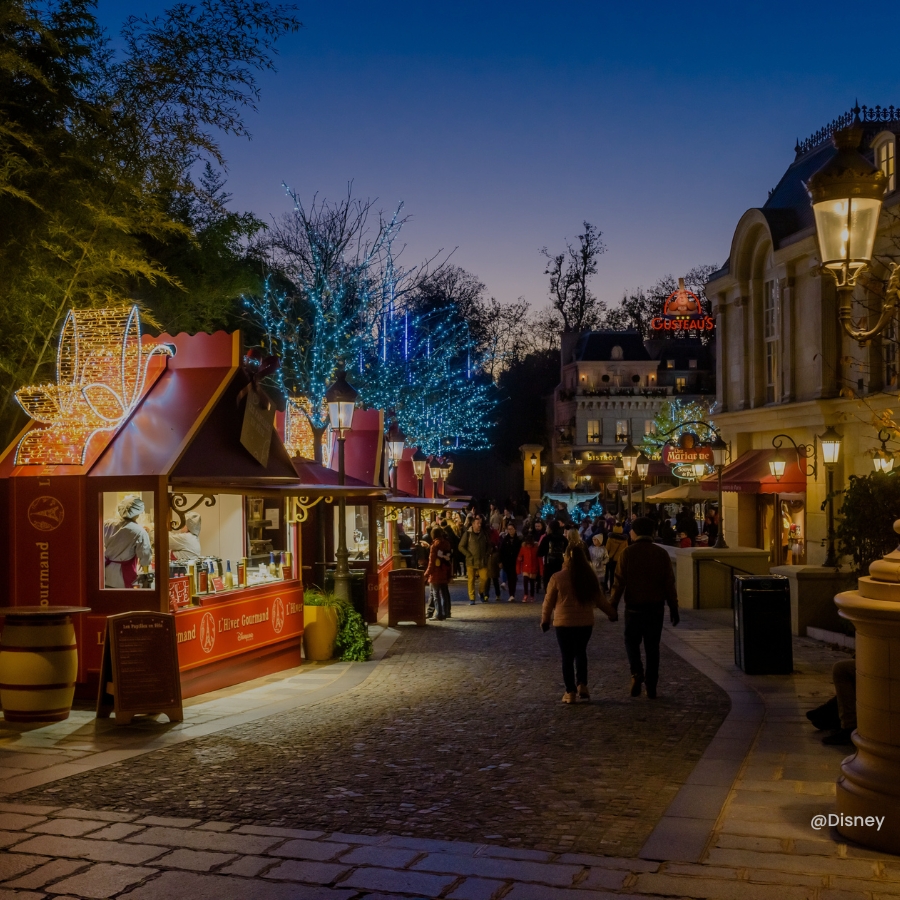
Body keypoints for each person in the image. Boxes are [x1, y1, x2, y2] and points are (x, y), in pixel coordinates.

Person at [541, 536, 617, 703]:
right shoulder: (589, 577)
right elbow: (600, 600)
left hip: (564, 623)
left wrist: (545, 620)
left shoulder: (557, 577)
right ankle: (582, 684)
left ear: (566, 557)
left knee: (567, 656)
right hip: (584, 623)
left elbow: (548, 601)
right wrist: (612, 613)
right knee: (581, 652)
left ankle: (570, 692)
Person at [611, 516, 679, 699]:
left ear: (634, 532)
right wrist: (673, 607)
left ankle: (636, 672)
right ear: (652, 533)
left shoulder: (627, 553)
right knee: (652, 647)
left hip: (633, 608)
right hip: (655, 608)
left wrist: (612, 606)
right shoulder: (661, 554)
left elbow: (619, 583)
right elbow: (669, 584)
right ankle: (651, 685)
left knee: (631, 642)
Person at [103, 495, 153, 588]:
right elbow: (145, 555)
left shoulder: (107, 524)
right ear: (139, 512)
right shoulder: (139, 531)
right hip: (123, 575)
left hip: (105, 571)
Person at [459, 515, 491, 604]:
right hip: (471, 561)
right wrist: (468, 555)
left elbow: (489, 545)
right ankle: (472, 598)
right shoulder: (468, 534)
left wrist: (487, 554)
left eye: (480, 523)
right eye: (477, 523)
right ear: (473, 524)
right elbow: (461, 546)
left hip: (482, 561)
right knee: (471, 580)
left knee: (485, 578)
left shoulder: (484, 534)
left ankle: (481, 592)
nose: (479, 525)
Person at [424, 526, 453, 620]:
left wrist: (426, 574)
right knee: (444, 593)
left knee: (436, 594)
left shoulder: (434, 545)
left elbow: (431, 563)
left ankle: (439, 614)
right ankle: (446, 612)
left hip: (436, 573)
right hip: (444, 571)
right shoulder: (446, 543)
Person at [538, 520, 567, 585]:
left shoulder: (546, 538)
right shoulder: (563, 539)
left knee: (549, 586)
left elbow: (540, 553)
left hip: (549, 566)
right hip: (560, 565)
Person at [499, 522, 522, 602]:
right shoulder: (505, 539)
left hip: (515, 561)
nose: (510, 531)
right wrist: (501, 561)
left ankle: (512, 594)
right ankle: (511, 594)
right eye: (509, 529)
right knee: (509, 577)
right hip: (507, 561)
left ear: (515, 529)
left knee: (513, 578)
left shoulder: (518, 540)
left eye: (511, 529)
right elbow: (501, 551)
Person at [604, 524, 628, 592]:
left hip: (611, 559)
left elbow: (607, 549)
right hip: (619, 559)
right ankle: (618, 588)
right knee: (618, 575)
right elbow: (626, 549)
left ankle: (610, 588)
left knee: (610, 574)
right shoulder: (624, 540)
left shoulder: (610, 538)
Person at [517, 530, 539, 601]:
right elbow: (520, 556)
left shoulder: (535, 548)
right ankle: (526, 594)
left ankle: (531, 595)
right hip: (527, 567)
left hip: (532, 567)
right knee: (526, 581)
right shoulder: (524, 547)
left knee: (532, 583)